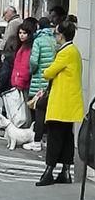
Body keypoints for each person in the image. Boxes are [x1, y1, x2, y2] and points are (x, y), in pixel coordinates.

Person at [36, 19, 84, 187]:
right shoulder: (74, 51)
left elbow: (49, 72)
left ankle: (48, 171)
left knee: (55, 137)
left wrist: (45, 70)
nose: (55, 36)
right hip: (70, 103)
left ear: (62, 36)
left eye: (56, 33)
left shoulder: (65, 52)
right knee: (66, 137)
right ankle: (65, 171)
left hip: (61, 102)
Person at [23, 17, 57, 152]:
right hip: (51, 81)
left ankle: (36, 141)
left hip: (39, 80)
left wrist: (32, 71)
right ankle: (46, 139)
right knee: (49, 111)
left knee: (39, 111)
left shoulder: (38, 41)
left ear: (38, 26)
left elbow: (34, 61)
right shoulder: (55, 40)